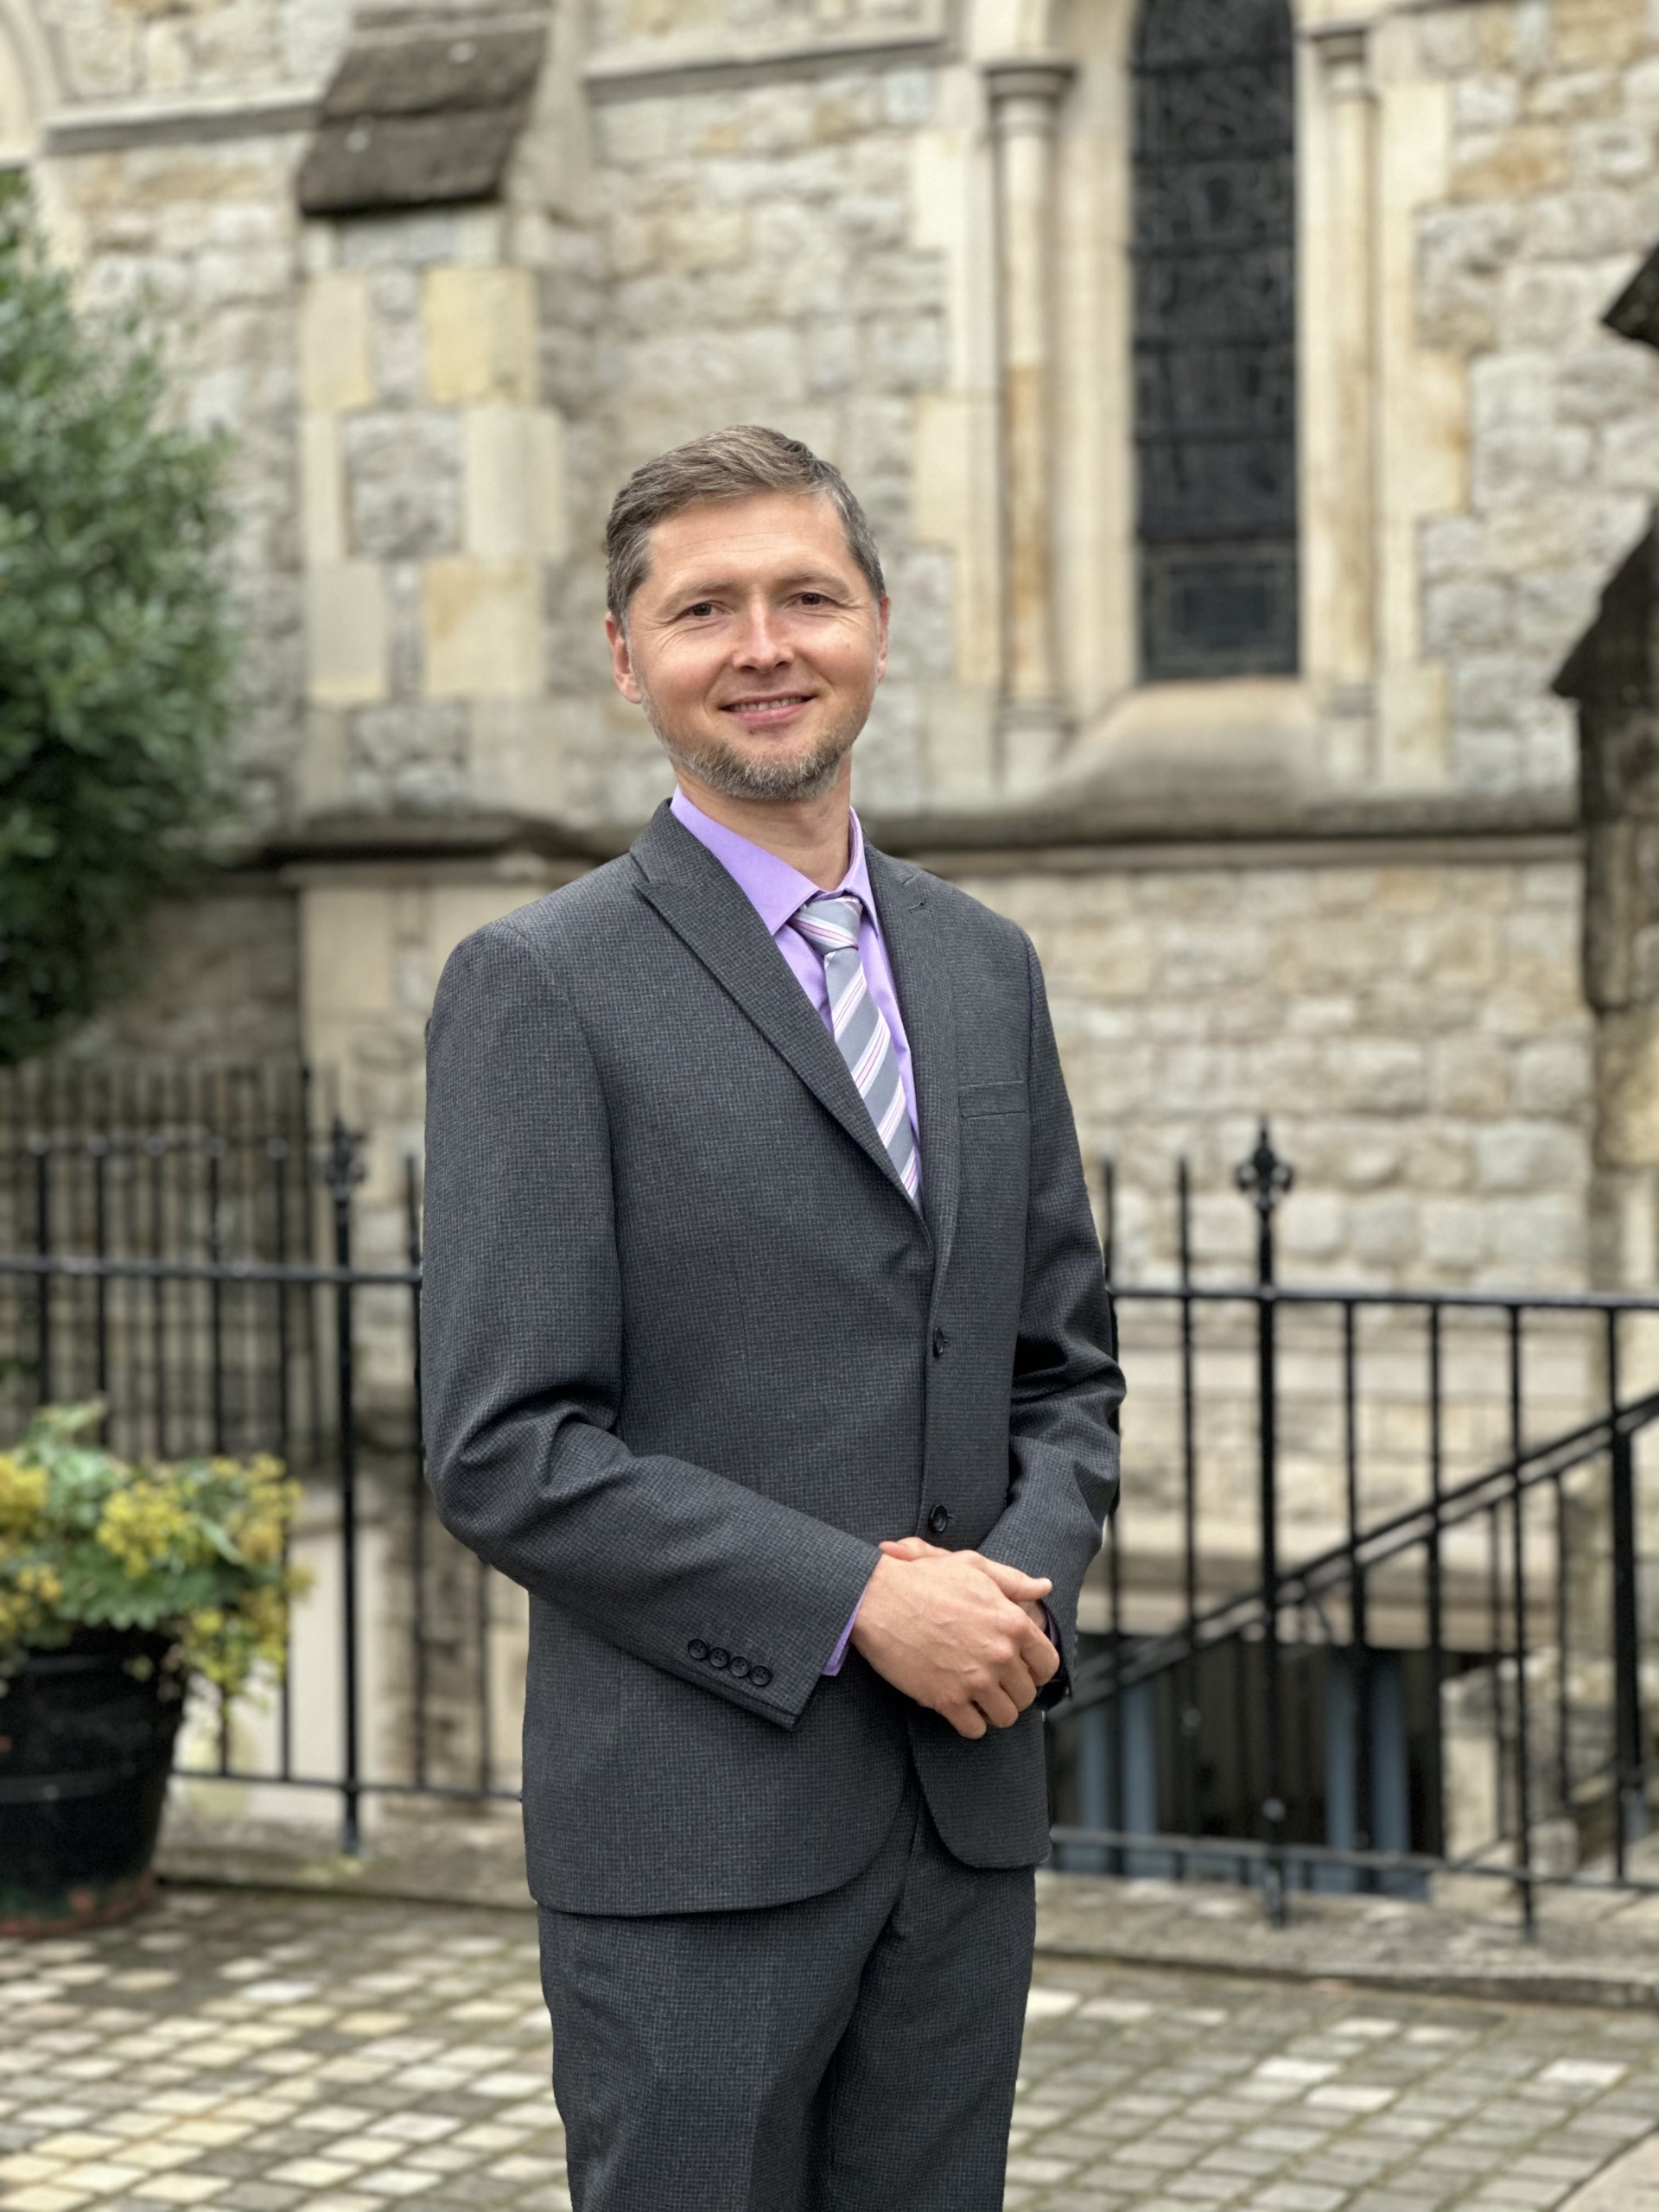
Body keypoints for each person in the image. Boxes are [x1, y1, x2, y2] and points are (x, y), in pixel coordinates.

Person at [421, 424, 1123, 2212]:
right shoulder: (541, 986)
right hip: (693, 1845)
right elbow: (510, 1452)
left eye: (806, 594)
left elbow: (1063, 1368)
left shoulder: (980, 965)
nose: (763, 642)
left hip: (962, 1819)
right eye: (703, 606)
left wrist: (1007, 1595)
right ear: (625, 655)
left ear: (878, 620)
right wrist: (863, 1598)